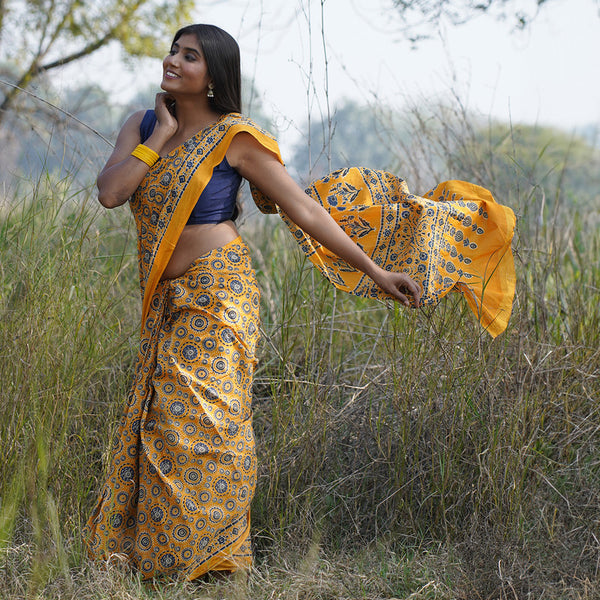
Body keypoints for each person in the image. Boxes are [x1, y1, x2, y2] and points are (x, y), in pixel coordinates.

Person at [83, 24, 514, 581]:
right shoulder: (143, 126)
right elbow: (111, 192)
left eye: (189, 56)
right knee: (163, 422)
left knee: (209, 420)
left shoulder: (234, 137)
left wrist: (377, 271)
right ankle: (165, 559)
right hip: (166, 297)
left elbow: (304, 210)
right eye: (173, 51)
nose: (173, 61)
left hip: (220, 293)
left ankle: (215, 559)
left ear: (213, 76)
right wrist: (158, 135)